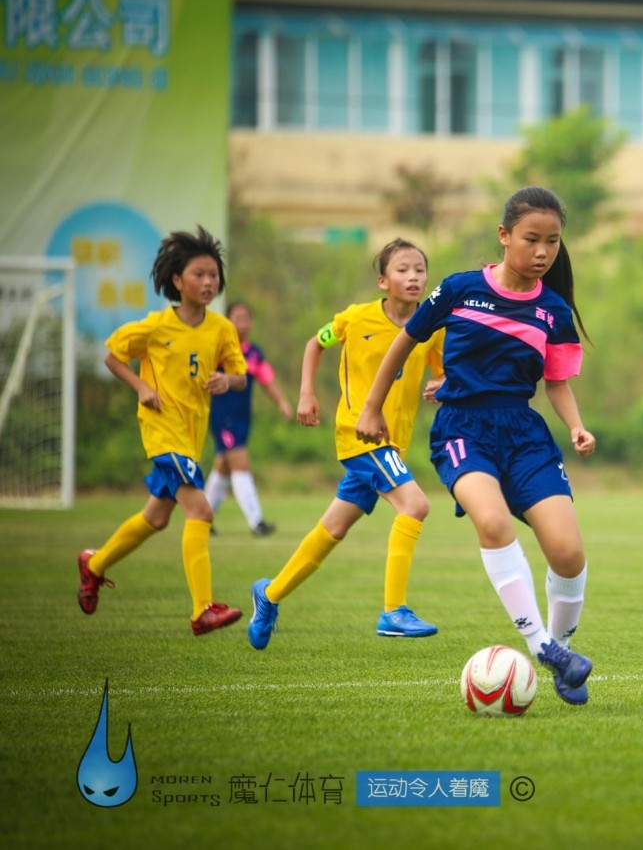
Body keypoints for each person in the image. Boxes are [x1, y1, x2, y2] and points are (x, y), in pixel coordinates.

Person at [356, 186, 597, 706]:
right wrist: (372, 406)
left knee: (569, 553)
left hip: (525, 435)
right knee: (493, 522)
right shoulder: (460, 289)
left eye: (553, 242)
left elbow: (556, 381)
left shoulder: (553, 311)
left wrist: (576, 426)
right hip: (463, 429)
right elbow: (407, 340)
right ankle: (545, 650)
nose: (542, 252)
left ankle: (561, 646)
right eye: (532, 239)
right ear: (504, 236)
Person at [245, 238, 444, 650]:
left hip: (394, 444)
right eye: (403, 269)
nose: (414, 277)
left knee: (332, 529)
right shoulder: (356, 318)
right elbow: (315, 343)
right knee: (416, 505)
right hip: (359, 434)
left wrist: (442, 384)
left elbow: (441, 374)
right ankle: (394, 610)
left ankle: (271, 593)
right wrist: (305, 393)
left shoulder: (431, 328)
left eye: (420, 270)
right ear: (382, 280)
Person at [77, 227, 247, 636]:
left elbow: (240, 375)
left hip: (191, 437)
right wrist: (142, 386)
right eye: (199, 275)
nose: (209, 283)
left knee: (155, 518)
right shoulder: (155, 327)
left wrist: (227, 381)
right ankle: (202, 609)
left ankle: (94, 564)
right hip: (162, 433)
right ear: (176, 281)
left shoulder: (221, 329)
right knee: (201, 511)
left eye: (213, 275)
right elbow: (113, 356)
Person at [206, 301, 292, 537]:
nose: (242, 324)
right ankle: (257, 522)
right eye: (237, 318)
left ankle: (202, 518)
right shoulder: (219, 350)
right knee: (240, 463)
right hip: (223, 418)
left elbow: (267, 379)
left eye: (246, 318)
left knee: (223, 468)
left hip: (243, 419)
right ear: (227, 321)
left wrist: (282, 403)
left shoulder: (253, 353)